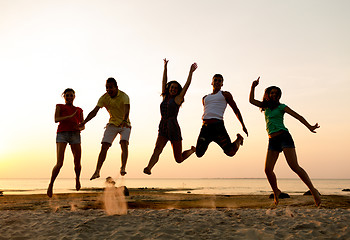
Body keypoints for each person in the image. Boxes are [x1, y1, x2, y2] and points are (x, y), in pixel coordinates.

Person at [249, 77, 321, 206]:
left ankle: (313, 190)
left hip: (284, 137)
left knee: (294, 166)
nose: (274, 95)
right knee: (267, 169)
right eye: (272, 93)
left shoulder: (282, 107)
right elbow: (251, 100)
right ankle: (276, 191)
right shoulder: (265, 106)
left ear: (279, 96)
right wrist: (253, 87)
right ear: (268, 95)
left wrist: (309, 126)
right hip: (272, 140)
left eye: (277, 93)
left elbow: (298, 116)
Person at [143, 59, 197, 175]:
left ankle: (192, 150)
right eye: (171, 87)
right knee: (157, 149)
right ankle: (149, 168)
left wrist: (191, 72)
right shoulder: (165, 97)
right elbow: (164, 81)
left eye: (175, 88)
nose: (173, 89)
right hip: (163, 126)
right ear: (169, 88)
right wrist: (165, 67)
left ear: (178, 91)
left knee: (178, 159)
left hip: (173, 128)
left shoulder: (178, 99)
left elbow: (187, 85)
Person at [80, 77, 131, 179]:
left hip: (125, 124)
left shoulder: (124, 96)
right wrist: (84, 122)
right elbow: (94, 112)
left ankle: (123, 167)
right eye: (107, 88)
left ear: (116, 87)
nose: (109, 90)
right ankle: (97, 171)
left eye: (111, 87)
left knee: (124, 143)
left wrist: (125, 120)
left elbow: (127, 109)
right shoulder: (104, 98)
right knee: (104, 146)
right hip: (112, 124)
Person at [195, 74, 247, 158]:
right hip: (205, 128)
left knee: (230, 152)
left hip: (218, 127)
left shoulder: (225, 95)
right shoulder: (205, 98)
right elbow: (207, 111)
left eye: (219, 81)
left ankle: (239, 139)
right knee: (199, 153)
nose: (217, 82)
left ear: (222, 84)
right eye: (215, 80)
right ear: (211, 82)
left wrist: (243, 125)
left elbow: (236, 110)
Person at [47, 88, 84, 198]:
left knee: (77, 162)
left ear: (74, 97)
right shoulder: (60, 106)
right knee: (59, 163)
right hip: (62, 134)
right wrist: (69, 117)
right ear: (64, 97)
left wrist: (79, 127)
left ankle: (77, 179)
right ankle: (51, 185)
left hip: (75, 134)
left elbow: (83, 125)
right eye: (67, 95)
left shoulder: (79, 110)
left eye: (71, 95)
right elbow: (56, 119)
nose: (69, 97)